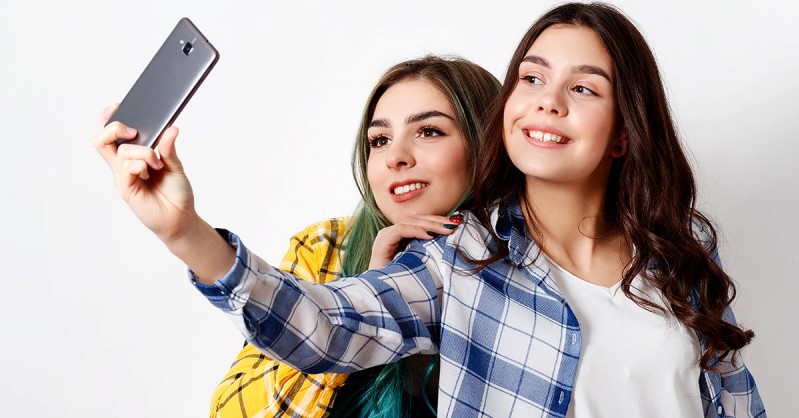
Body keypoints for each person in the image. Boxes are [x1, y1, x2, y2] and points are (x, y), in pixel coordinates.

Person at [97, 3, 766, 417]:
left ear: (625, 131)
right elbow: (320, 326)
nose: (547, 100)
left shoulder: (684, 268)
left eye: (583, 87)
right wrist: (184, 231)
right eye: (530, 78)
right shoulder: (461, 260)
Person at [93, 56, 500, 418]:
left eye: (428, 131)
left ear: (486, 143)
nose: (395, 157)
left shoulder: (526, 263)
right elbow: (236, 411)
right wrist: (370, 293)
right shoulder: (328, 247)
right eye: (379, 140)